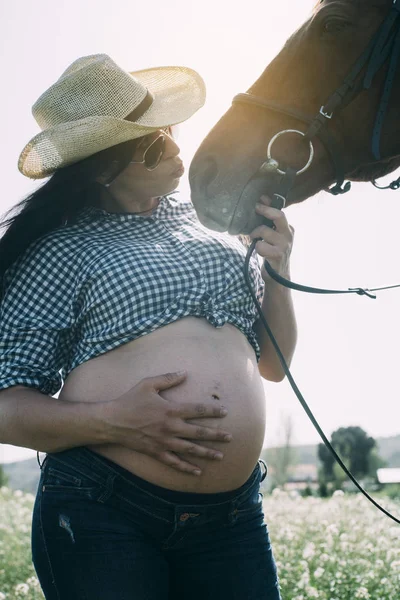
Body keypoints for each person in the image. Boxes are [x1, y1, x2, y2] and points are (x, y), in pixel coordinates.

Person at [0, 54, 297, 599]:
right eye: (155, 144)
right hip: (103, 511)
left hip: (230, 518)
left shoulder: (212, 227)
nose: (179, 150)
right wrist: (116, 422)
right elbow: (4, 406)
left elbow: (275, 365)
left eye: (170, 133)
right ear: (100, 167)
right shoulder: (59, 251)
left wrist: (278, 273)